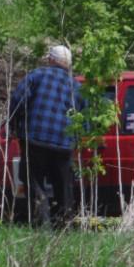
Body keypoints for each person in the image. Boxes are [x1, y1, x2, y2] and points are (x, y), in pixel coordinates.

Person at [8, 45, 86, 227]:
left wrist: (13, 125)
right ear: (69, 64)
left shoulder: (36, 75)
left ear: (50, 59)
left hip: (35, 139)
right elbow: (83, 118)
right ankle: (63, 225)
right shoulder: (77, 87)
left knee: (35, 183)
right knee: (63, 187)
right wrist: (77, 139)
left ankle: (40, 224)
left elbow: (17, 101)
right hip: (63, 144)